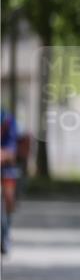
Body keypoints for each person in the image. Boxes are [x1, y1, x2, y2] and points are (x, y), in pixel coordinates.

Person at [1, 109, 20, 256]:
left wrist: (4, 154)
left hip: (6, 165)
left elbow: (12, 150)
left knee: (8, 196)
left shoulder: (8, 119)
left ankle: (6, 234)